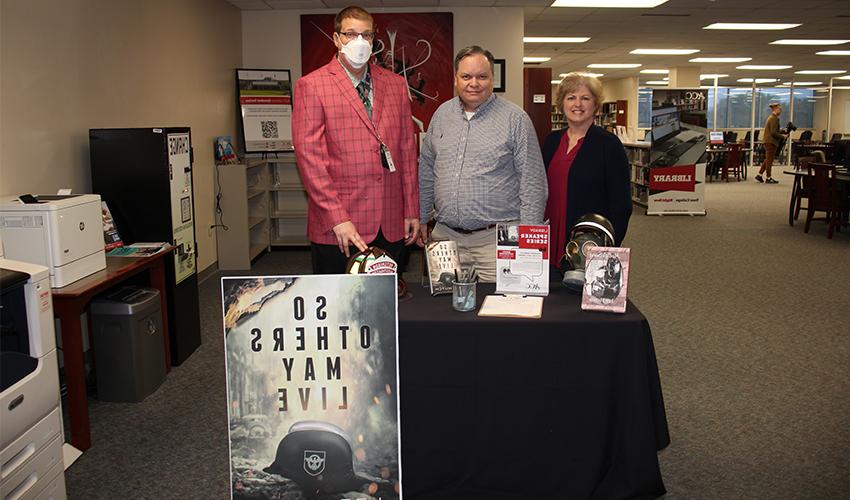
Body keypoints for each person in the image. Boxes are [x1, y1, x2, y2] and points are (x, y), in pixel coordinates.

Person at [292, 6, 419, 274]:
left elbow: (407, 150)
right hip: (340, 226)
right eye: (351, 34)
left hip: (391, 220)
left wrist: (411, 210)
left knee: (390, 307)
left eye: (367, 35)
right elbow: (310, 160)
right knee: (341, 309)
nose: (359, 42)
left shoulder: (395, 85)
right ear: (336, 38)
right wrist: (338, 218)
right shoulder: (312, 86)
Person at [418, 45, 547, 282]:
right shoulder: (441, 115)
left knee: (500, 312)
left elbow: (533, 183)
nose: (474, 83)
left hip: (496, 241)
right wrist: (422, 216)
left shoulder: (515, 119)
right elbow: (426, 169)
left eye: (482, 76)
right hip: (445, 240)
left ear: (492, 79)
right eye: (466, 76)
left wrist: (529, 242)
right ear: (455, 79)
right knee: (442, 312)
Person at [541, 72, 632, 269]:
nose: (578, 105)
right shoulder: (551, 141)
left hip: (587, 240)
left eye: (585, 98)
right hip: (549, 233)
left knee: (579, 295)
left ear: (596, 106)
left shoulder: (609, 145)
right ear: (562, 103)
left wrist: (608, 247)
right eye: (571, 97)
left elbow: (622, 204)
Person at [755, 102, 788, 184]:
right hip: (771, 141)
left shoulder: (771, 118)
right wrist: (783, 136)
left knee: (768, 159)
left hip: (768, 141)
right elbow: (773, 132)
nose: (780, 111)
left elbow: (774, 130)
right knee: (769, 160)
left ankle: (759, 175)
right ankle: (768, 178)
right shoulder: (774, 118)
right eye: (779, 109)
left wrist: (782, 131)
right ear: (775, 109)